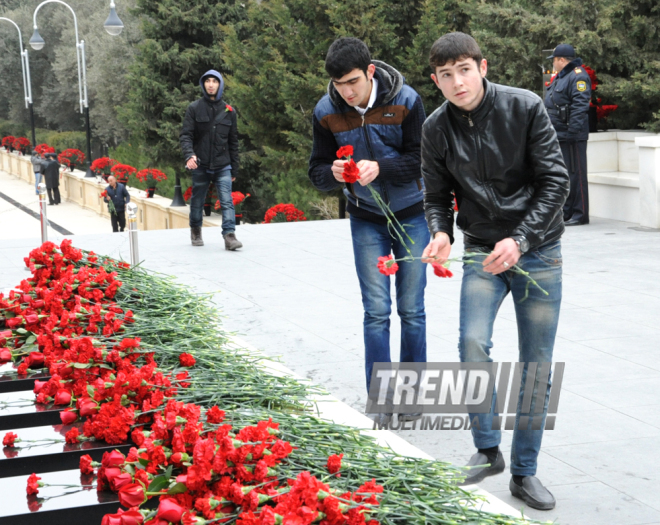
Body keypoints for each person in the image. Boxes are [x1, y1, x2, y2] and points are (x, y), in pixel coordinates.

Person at [420, 32, 569, 510]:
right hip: (482, 250)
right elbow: (436, 195)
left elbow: (556, 181)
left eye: (464, 69)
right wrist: (440, 232)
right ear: (436, 80)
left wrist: (521, 239)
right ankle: (488, 449)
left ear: (482, 67)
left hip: (538, 250)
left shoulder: (524, 107)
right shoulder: (436, 128)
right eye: (446, 75)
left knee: (536, 366)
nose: (457, 82)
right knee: (471, 342)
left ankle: (525, 472)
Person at [308, 37, 429, 417]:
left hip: (411, 212)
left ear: (370, 72)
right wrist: (333, 173)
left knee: (411, 308)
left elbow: (423, 159)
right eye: (340, 84)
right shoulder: (326, 111)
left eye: (354, 82)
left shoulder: (407, 100)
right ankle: (380, 399)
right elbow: (316, 171)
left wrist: (383, 168)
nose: (347, 92)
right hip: (364, 218)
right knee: (376, 310)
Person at [180, 69, 242, 250]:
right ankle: (196, 229)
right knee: (198, 200)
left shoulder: (230, 111)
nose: (211, 84)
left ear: (220, 84)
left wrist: (234, 169)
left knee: (226, 201)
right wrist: (189, 155)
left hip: (223, 165)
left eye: (215, 81)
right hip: (201, 164)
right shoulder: (194, 108)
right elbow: (186, 136)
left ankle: (229, 236)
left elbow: (233, 142)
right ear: (203, 84)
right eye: (207, 81)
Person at [544, 44, 591, 226]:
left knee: (577, 175)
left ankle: (581, 214)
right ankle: (567, 211)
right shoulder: (563, 77)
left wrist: (573, 131)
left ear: (561, 60)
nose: (553, 64)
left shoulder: (577, 76)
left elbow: (580, 105)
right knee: (566, 175)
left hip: (572, 134)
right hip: (561, 133)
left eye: (554, 60)